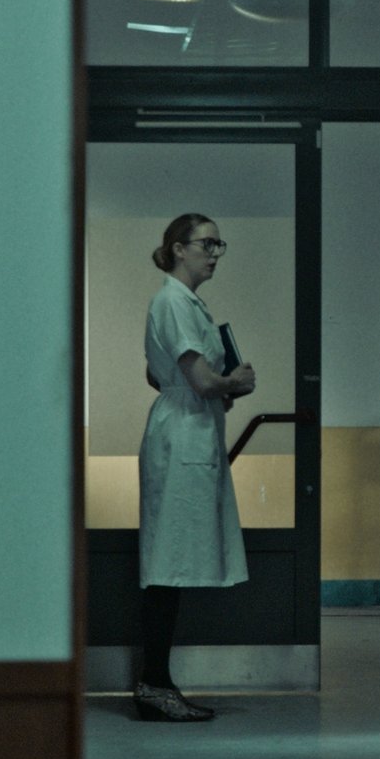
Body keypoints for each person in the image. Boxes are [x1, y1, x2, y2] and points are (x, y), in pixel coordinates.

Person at [133, 212, 257, 723]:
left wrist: (213, 387)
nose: (214, 254)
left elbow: (158, 372)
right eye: (206, 244)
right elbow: (203, 381)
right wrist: (234, 382)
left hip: (188, 428)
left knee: (173, 562)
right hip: (182, 433)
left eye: (218, 245)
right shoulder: (172, 302)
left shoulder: (185, 304)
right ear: (178, 248)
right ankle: (153, 685)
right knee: (168, 566)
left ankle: (156, 682)